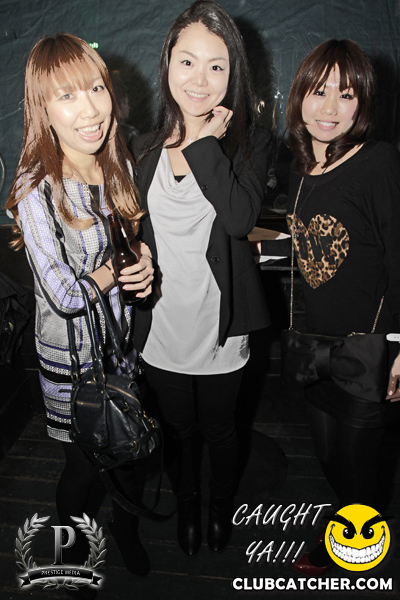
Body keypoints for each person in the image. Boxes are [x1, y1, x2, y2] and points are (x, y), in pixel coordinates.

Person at [5, 33, 154, 594]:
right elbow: (66, 295)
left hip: (121, 347)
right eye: (67, 96)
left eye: (95, 88)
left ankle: (126, 530)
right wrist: (117, 269)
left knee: (129, 454)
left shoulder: (116, 162)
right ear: (42, 109)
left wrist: (143, 262)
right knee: (84, 465)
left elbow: (129, 243)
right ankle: (68, 552)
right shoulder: (36, 187)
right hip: (71, 361)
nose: (90, 109)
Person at [130, 0, 272, 557]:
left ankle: (219, 508)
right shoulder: (142, 148)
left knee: (221, 431)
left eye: (217, 66)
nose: (200, 78)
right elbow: (129, 227)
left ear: (233, 73)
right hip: (161, 326)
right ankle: (187, 508)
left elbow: (238, 219)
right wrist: (132, 254)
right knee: (178, 431)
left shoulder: (251, 143)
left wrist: (203, 142)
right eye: (187, 61)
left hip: (220, 327)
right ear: (167, 63)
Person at [259, 38, 400, 574]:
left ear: (363, 103)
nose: (330, 107)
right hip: (313, 344)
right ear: (300, 95)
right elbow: (306, 244)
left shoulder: (379, 162)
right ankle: (355, 519)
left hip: (367, 351)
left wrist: (399, 349)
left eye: (346, 94)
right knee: (328, 457)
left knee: (358, 467)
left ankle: (355, 550)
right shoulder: (301, 167)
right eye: (319, 91)